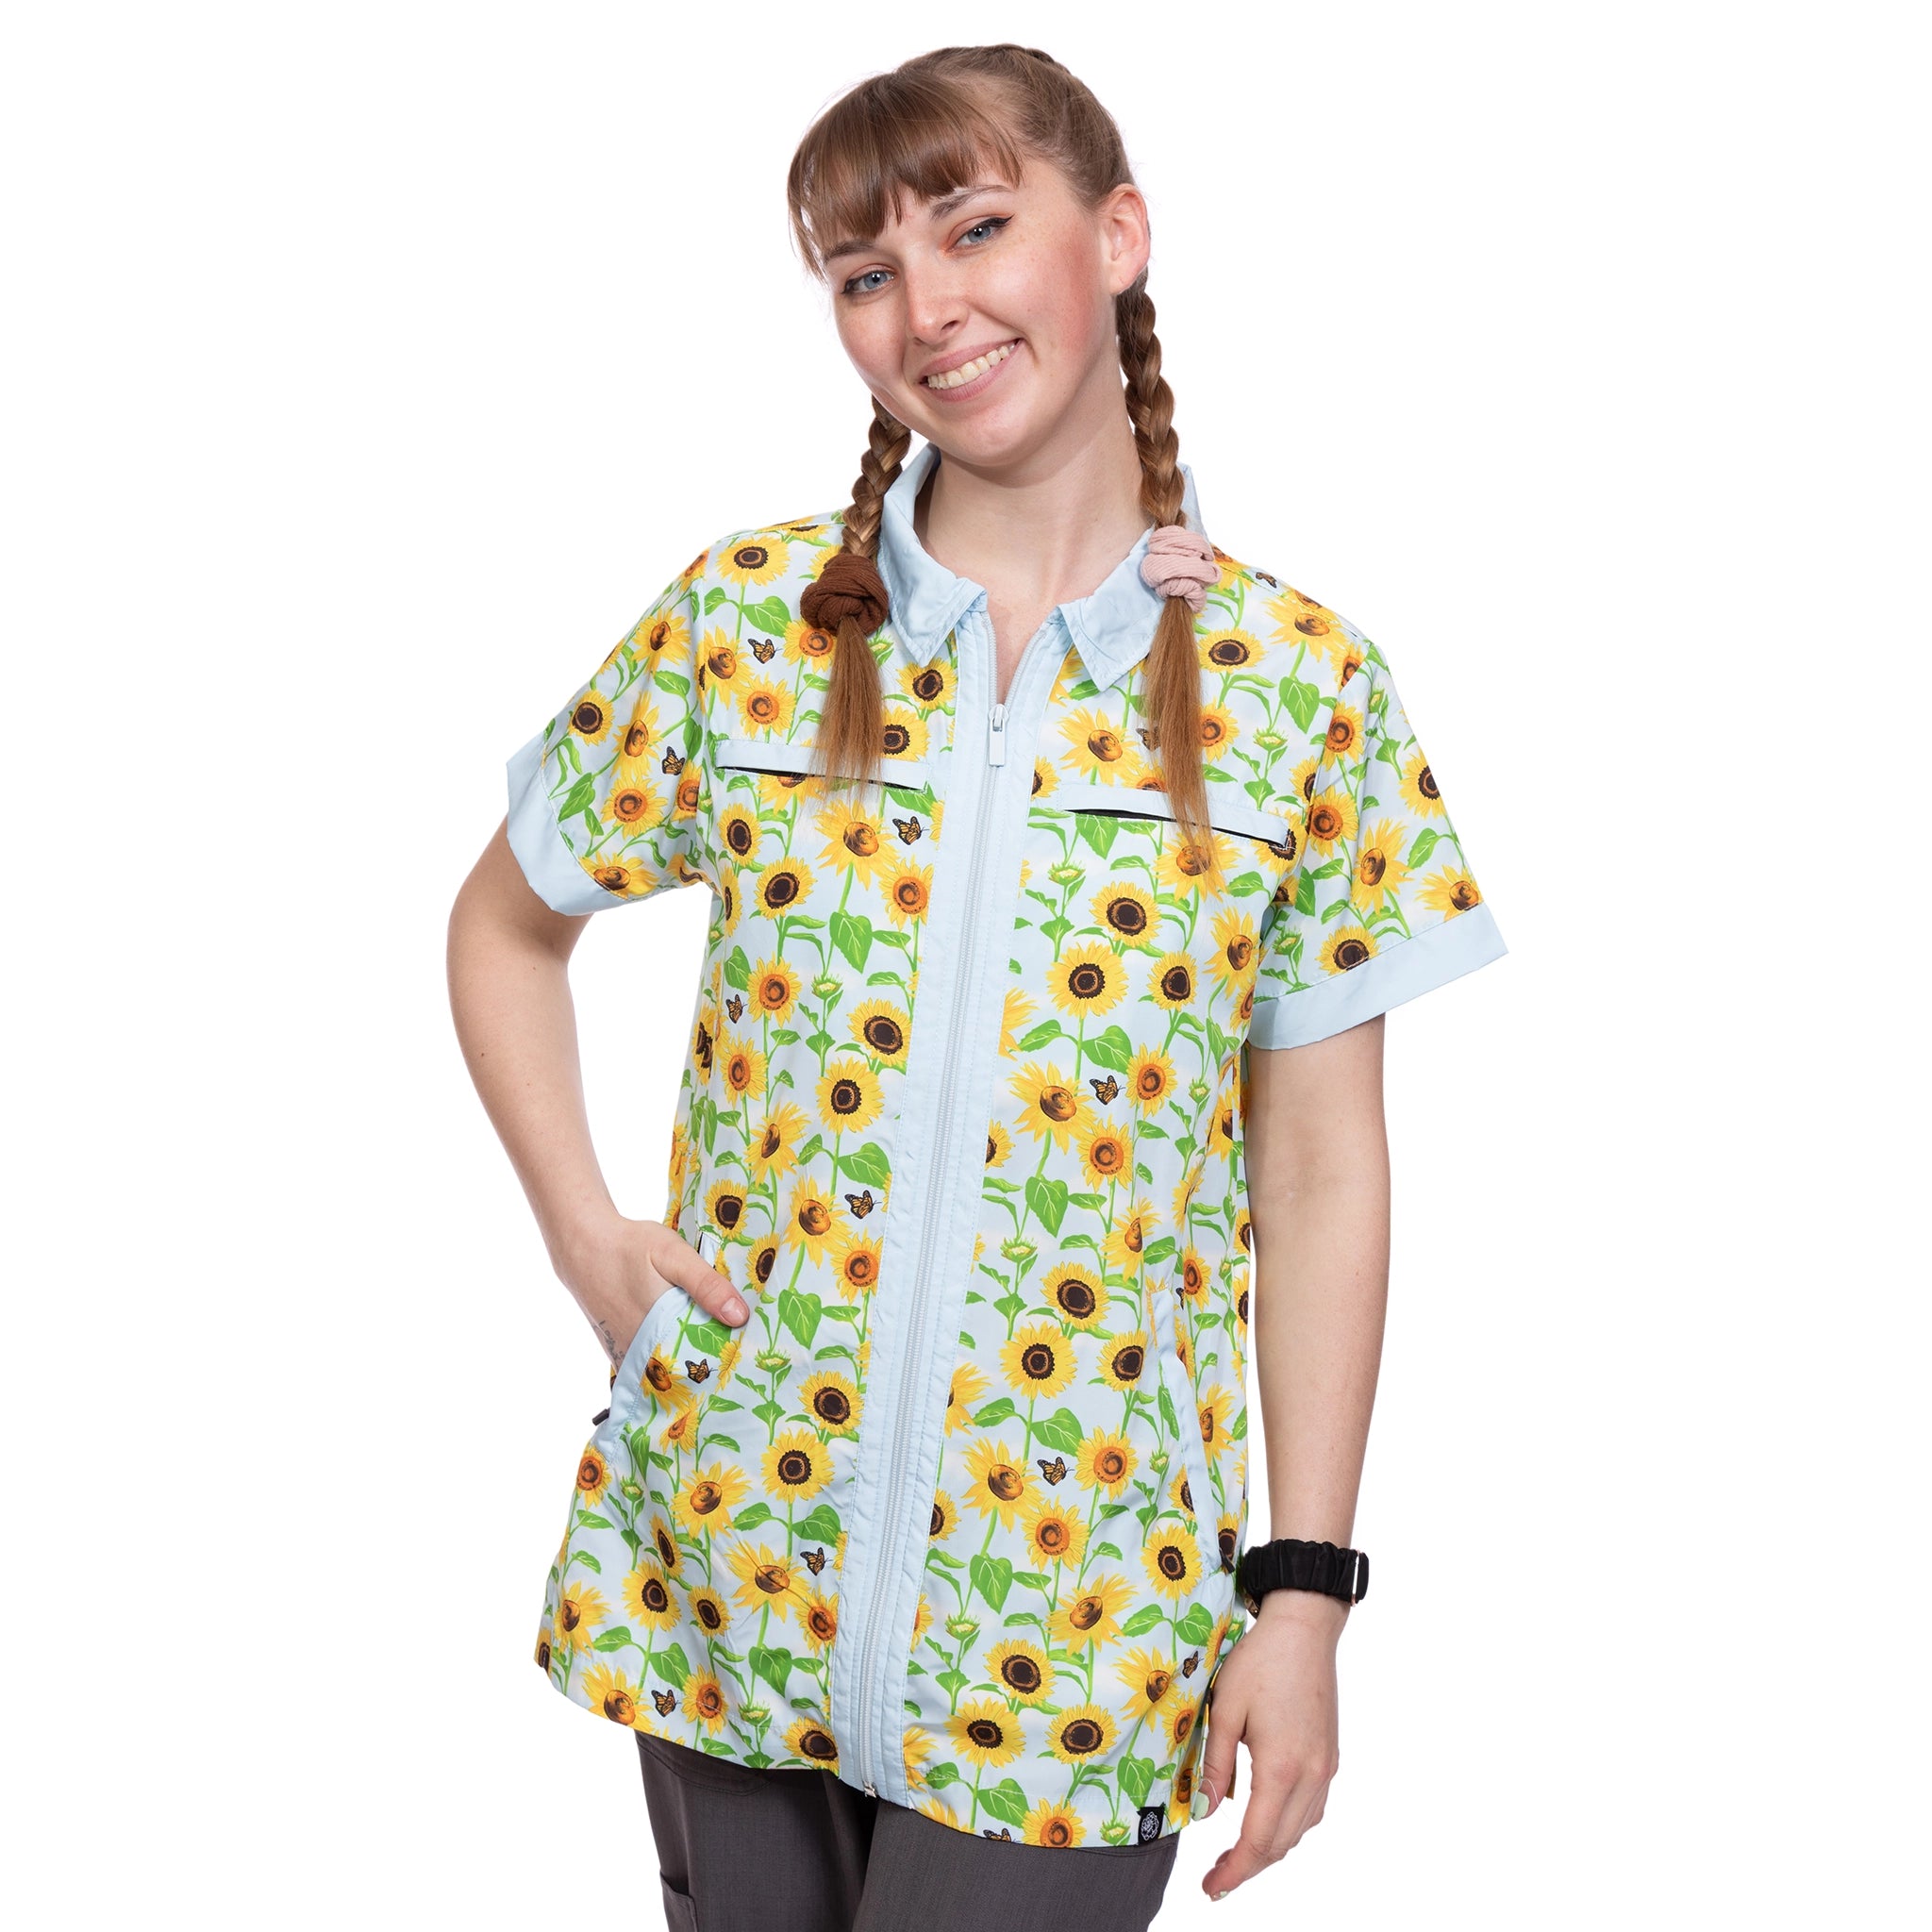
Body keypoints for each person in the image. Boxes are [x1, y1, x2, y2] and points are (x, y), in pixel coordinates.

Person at [448, 42, 1507, 1931]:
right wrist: (583, 1235)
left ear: (1118, 237)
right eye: (865, 272)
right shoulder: (754, 628)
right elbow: (504, 924)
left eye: (976, 228)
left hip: (1074, 1624)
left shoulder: (1298, 692)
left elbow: (1323, 1169)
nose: (925, 306)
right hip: (734, 1552)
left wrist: (1302, 1593)